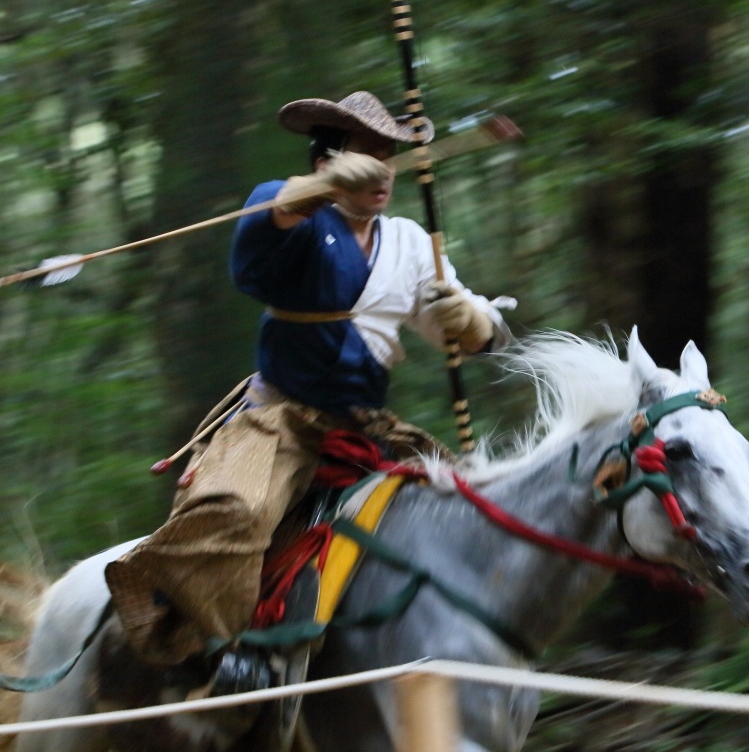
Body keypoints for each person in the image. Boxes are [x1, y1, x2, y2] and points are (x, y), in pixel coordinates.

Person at [103, 91, 512, 692]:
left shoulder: (409, 243)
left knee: (465, 513)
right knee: (234, 514)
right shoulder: (294, 212)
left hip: (366, 428)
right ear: (328, 162)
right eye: (369, 157)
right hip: (281, 422)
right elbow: (268, 221)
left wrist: (470, 320)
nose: (384, 172)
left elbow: (486, 337)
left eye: (391, 156)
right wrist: (310, 190)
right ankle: (210, 649)